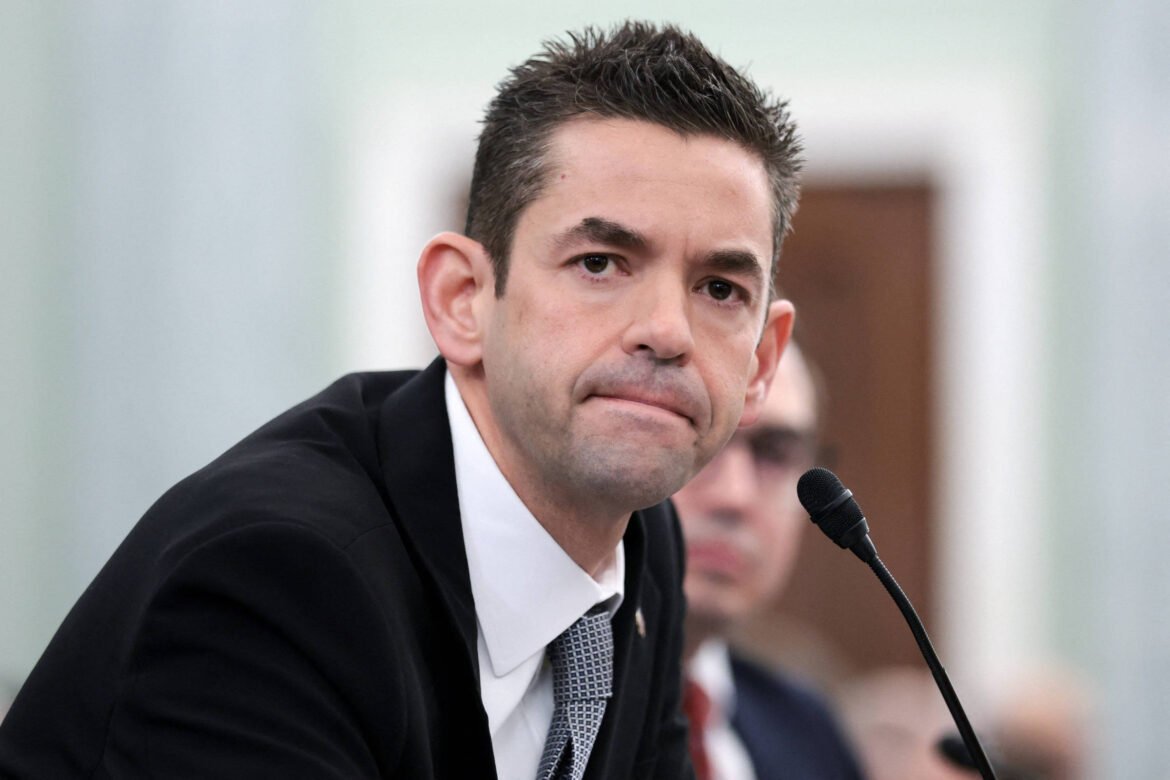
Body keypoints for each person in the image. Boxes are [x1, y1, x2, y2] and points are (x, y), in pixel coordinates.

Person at [0, 21, 801, 779]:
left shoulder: (645, 543)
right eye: (599, 263)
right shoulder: (280, 576)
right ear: (462, 300)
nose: (667, 331)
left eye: (719, 289)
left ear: (761, 361)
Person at [674, 343, 865, 779]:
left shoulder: (810, 734)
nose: (735, 497)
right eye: (701, 438)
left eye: (775, 454)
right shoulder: (543, 711)